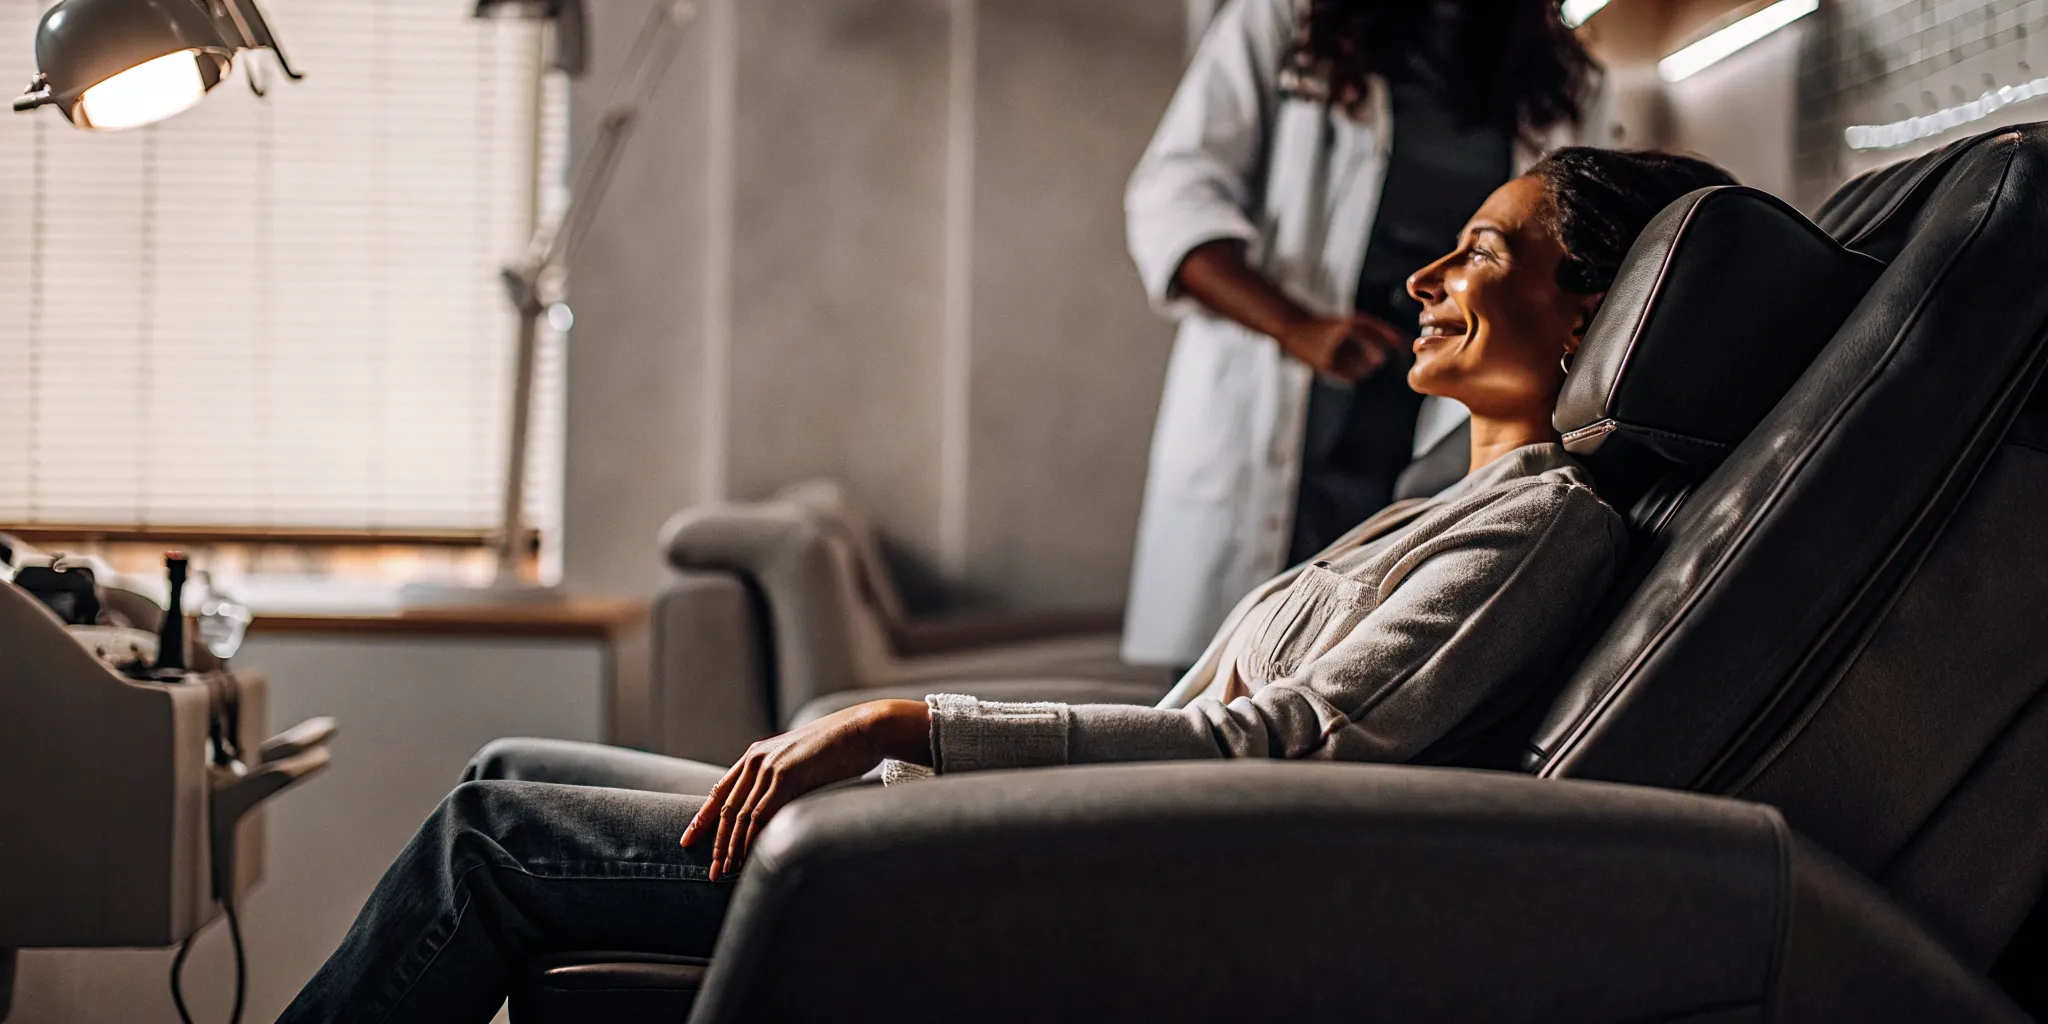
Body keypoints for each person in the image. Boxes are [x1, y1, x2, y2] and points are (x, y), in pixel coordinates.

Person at [278, 148, 1736, 1024]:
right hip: (1039, 844)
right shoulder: (1450, 506)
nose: (1424, 276)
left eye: (1482, 251)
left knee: (491, 833)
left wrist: (910, 724)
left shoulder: (1538, 532)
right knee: (508, 763)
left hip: (1079, 896)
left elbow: (1272, 757)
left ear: (1597, 313)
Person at [1121, 0, 1605, 669]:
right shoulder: (1288, 21)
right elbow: (1172, 197)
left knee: (1376, 652)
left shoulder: (1561, 76)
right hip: (1285, 395)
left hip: (1431, 414)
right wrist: (1295, 326)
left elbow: (1586, 246)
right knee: (1229, 670)